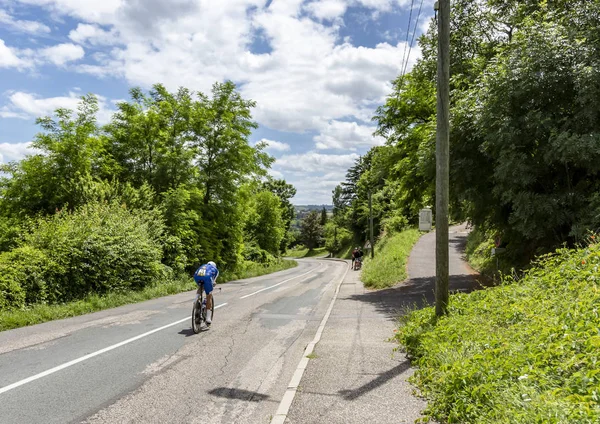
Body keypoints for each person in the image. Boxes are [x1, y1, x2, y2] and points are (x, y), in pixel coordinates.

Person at [193, 261, 219, 325]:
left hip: (196, 276)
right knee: (209, 295)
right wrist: (213, 284)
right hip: (207, 278)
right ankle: (208, 318)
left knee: (201, 287)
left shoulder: (203, 265)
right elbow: (213, 281)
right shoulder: (215, 270)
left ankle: (196, 299)